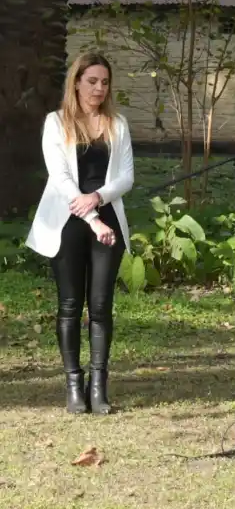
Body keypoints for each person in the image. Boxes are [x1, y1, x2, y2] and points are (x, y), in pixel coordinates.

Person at [26, 52, 134, 415]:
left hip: (108, 218)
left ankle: (98, 386)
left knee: (101, 307)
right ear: (76, 82)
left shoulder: (117, 124)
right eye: (92, 81)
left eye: (104, 82)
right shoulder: (56, 123)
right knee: (70, 306)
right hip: (67, 223)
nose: (99, 88)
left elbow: (126, 177)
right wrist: (92, 217)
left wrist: (99, 199)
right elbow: (60, 179)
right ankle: (74, 385)